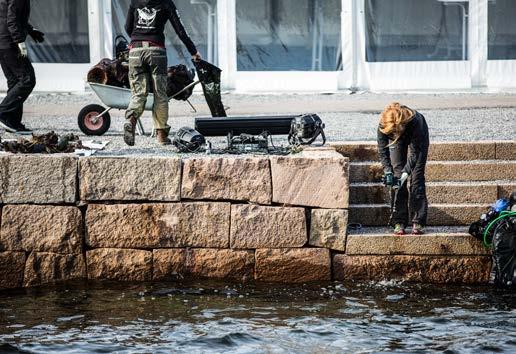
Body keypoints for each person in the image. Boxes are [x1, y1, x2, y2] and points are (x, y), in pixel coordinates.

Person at [124, 0, 201, 146]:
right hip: (156, 51)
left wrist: (137, 39)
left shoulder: (135, 1)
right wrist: (193, 51)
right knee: (160, 94)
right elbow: (180, 30)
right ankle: (161, 136)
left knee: (138, 93)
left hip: (135, 51)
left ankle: (131, 120)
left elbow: (128, 27)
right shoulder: (166, 2)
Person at [377, 103, 430, 235]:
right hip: (398, 134)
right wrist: (387, 171)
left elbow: (414, 154)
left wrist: (406, 174)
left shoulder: (416, 121)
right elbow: (383, 151)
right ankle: (399, 221)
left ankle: (418, 220)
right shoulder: (383, 125)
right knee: (396, 176)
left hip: (416, 136)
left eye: (394, 130)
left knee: (417, 177)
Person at [0, 0, 44, 134]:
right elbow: (12, 19)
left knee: (15, 82)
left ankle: (12, 122)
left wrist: (30, 30)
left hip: (2, 43)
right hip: (10, 43)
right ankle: (3, 112)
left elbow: (7, 15)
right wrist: (19, 41)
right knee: (27, 79)